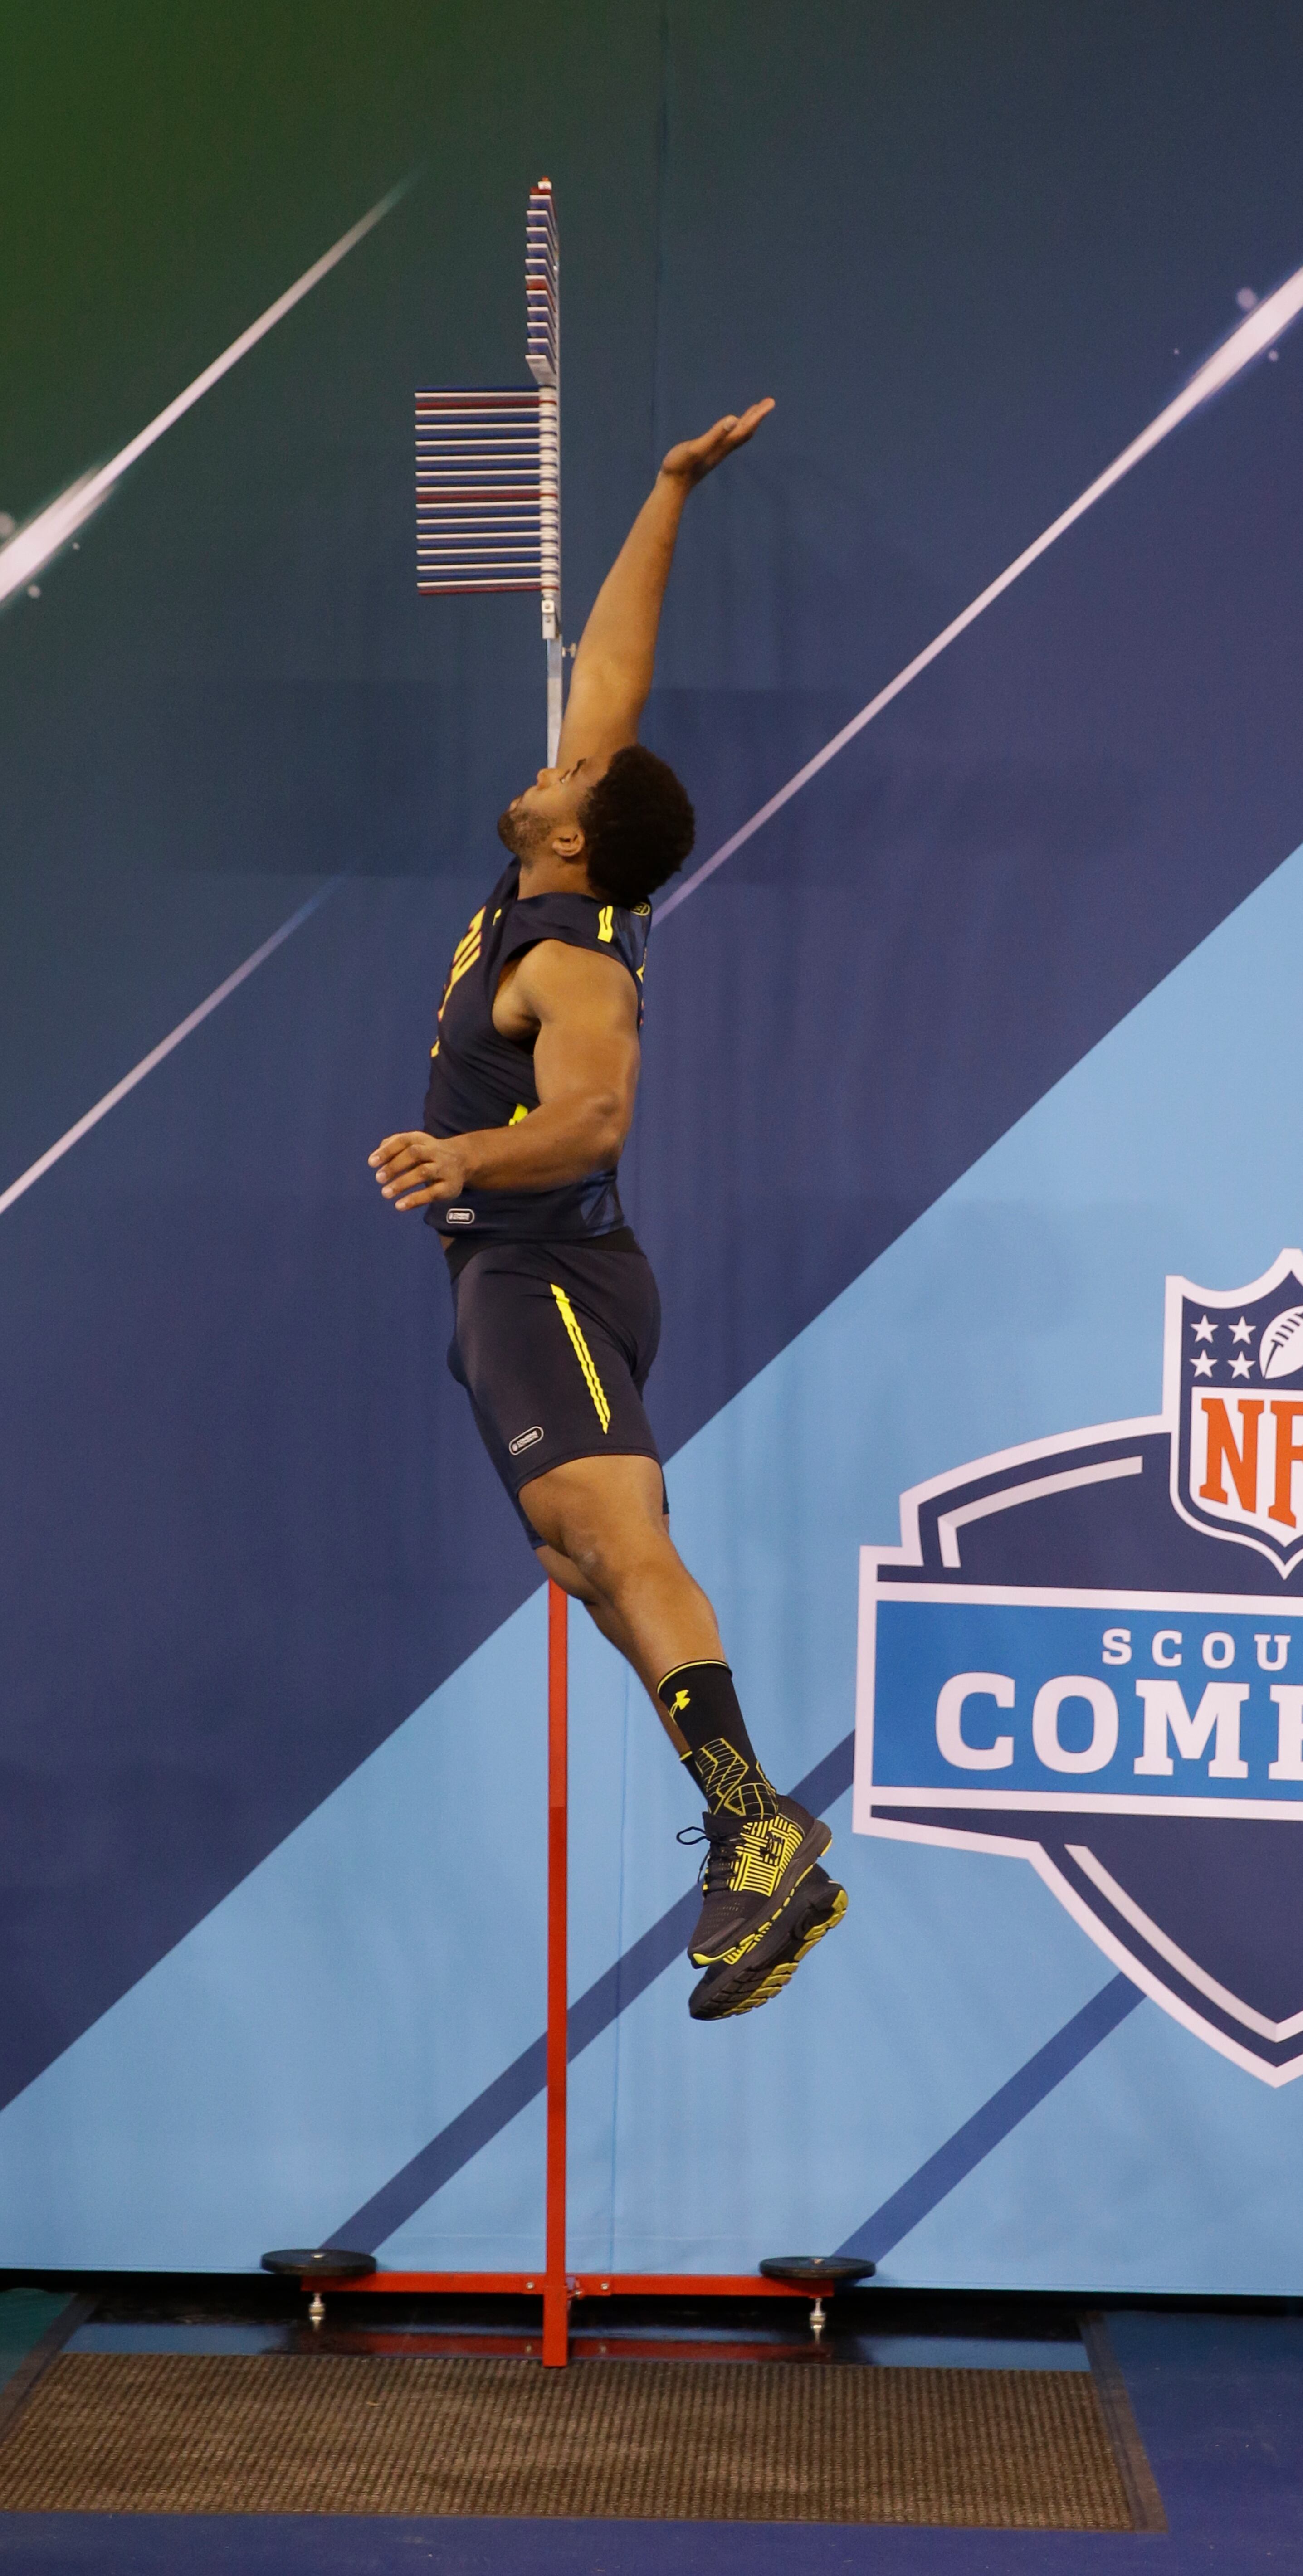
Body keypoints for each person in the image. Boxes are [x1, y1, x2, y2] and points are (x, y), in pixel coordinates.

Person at [367, 401, 845, 2021]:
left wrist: (463, 1161)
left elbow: (590, 1118)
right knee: (582, 1545)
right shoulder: (554, 887)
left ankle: (759, 1826)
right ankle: (751, 1824)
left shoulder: (567, 957)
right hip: (525, 1279)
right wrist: (667, 493)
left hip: (543, 1263)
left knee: (619, 1538)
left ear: (573, 829)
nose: (558, 749)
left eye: (568, 768)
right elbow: (614, 684)